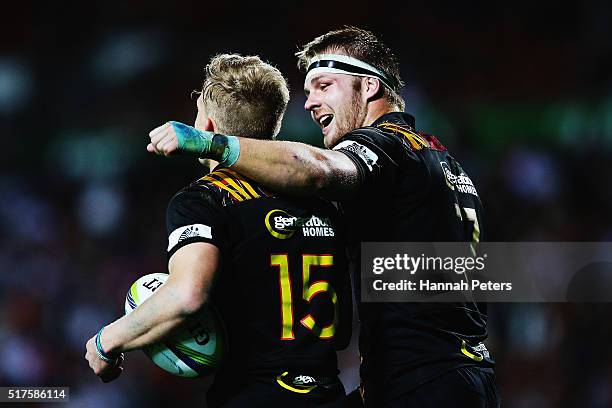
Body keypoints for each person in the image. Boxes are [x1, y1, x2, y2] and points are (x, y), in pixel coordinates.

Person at [147, 27, 500, 407]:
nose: (309, 102)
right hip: (469, 375)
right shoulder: (444, 162)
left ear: (368, 87)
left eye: (324, 85)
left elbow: (316, 171)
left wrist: (212, 144)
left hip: (418, 382)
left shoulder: (386, 146)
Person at [86, 54, 353, 407]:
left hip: (254, 396)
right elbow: (344, 331)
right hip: (329, 394)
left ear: (207, 126)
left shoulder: (204, 199)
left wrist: (107, 341)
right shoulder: (319, 204)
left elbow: (187, 295)